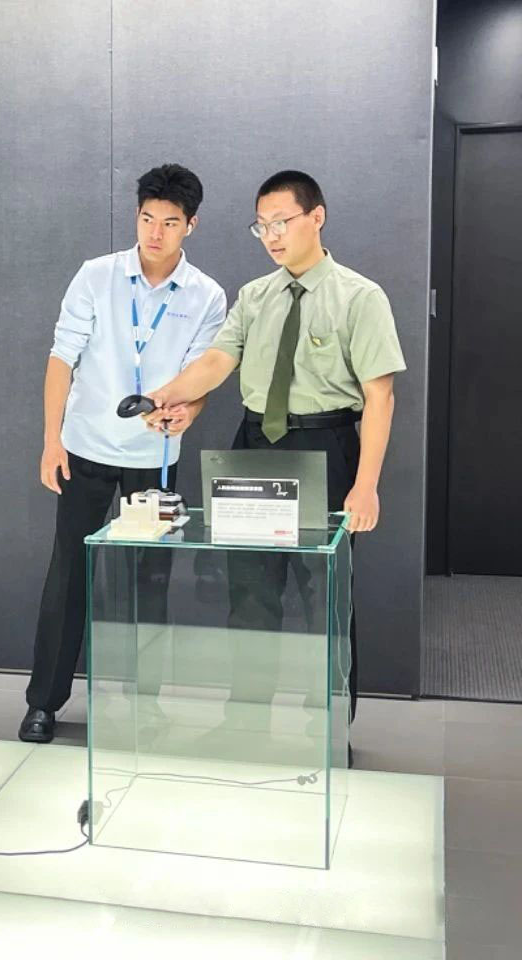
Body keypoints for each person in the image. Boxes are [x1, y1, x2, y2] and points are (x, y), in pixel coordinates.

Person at [145, 169, 406, 730]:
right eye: (261, 226)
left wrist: (366, 485)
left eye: (282, 222)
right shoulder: (254, 296)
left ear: (317, 217)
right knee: (249, 590)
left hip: (325, 447)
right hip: (254, 446)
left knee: (324, 596)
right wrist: (165, 395)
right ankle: (245, 720)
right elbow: (216, 362)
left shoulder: (360, 297)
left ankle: (328, 727)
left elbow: (380, 397)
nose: (272, 236)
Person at [20, 163, 227, 743]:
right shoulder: (97, 276)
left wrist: (190, 411)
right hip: (84, 447)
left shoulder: (207, 295)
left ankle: (141, 705)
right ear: (136, 216)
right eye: (146, 218)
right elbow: (62, 357)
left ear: (191, 225)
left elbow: (202, 376)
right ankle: (43, 703)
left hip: (155, 456)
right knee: (68, 574)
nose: (155, 233)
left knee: (149, 582)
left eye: (170, 222)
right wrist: (51, 439)